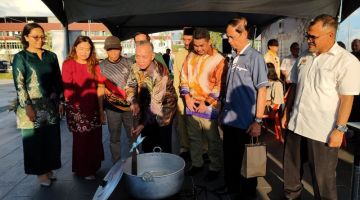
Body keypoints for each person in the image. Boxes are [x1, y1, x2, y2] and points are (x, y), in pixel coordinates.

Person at [281, 14, 360, 200]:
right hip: (295, 125)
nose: (308, 40)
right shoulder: (304, 56)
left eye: (313, 37)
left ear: (330, 35)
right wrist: (286, 112)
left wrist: (340, 130)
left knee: (323, 182)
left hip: (322, 132)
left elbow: (347, 99)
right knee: (291, 174)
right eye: (307, 36)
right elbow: (295, 86)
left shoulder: (347, 62)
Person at [220, 17, 268, 199]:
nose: (229, 41)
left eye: (232, 37)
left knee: (247, 166)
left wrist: (258, 121)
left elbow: (262, 90)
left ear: (244, 34)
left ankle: (247, 195)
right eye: (228, 37)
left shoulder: (255, 58)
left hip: (246, 124)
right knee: (230, 161)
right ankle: (231, 189)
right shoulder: (234, 57)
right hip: (230, 121)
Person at [12, 23, 63, 187]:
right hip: (30, 106)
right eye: (36, 37)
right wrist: (27, 106)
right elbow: (20, 84)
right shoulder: (21, 57)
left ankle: (48, 169)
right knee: (34, 142)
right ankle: (40, 174)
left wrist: (61, 101)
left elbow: (57, 81)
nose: (40, 40)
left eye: (42, 36)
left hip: (50, 105)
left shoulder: (51, 56)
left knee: (51, 139)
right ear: (26, 37)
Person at [180, 27, 225, 181]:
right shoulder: (190, 56)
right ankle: (197, 164)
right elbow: (183, 78)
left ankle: (215, 167)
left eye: (202, 46)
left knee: (212, 139)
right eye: (196, 45)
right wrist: (187, 98)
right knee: (193, 138)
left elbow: (220, 85)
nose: (198, 49)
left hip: (209, 106)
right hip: (191, 104)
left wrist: (207, 102)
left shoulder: (219, 59)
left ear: (209, 42)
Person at [62, 36, 104, 180]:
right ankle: (84, 169)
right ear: (75, 48)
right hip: (77, 109)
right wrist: (76, 110)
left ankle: (92, 167)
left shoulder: (95, 65)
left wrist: (100, 109)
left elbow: (100, 87)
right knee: (81, 140)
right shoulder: (68, 64)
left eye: (88, 49)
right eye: (81, 48)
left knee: (95, 139)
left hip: (93, 108)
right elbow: (67, 90)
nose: (84, 52)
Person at [126, 41, 177, 153]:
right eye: (137, 56)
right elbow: (130, 85)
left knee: (162, 146)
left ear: (152, 56)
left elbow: (156, 105)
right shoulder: (135, 67)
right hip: (146, 105)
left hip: (164, 111)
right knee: (147, 144)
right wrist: (133, 101)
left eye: (144, 57)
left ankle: (165, 168)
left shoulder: (161, 75)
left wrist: (142, 124)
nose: (140, 60)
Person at [97, 36, 134, 163]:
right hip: (111, 109)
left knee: (133, 136)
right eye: (110, 50)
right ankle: (116, 164)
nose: (113, 52)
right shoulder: (101, 66)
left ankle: (134, 162)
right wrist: (101, 110)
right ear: (106, 51)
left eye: (116, 49)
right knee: (114, 138)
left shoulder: (129, 63)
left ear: (121, 48)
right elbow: (100, 89)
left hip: (129, 108)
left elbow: (136, 85)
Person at [173, 27, 194, 161]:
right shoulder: (179, 54)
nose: (186, 42)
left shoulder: (201, 53)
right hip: (181, 96)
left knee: (198, 125)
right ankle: (185, 148)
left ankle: (203, 150)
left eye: (189, 39)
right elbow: (176, 78)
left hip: (197, 96)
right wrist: (177, 96)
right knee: (182, 125)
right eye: (184, 39)